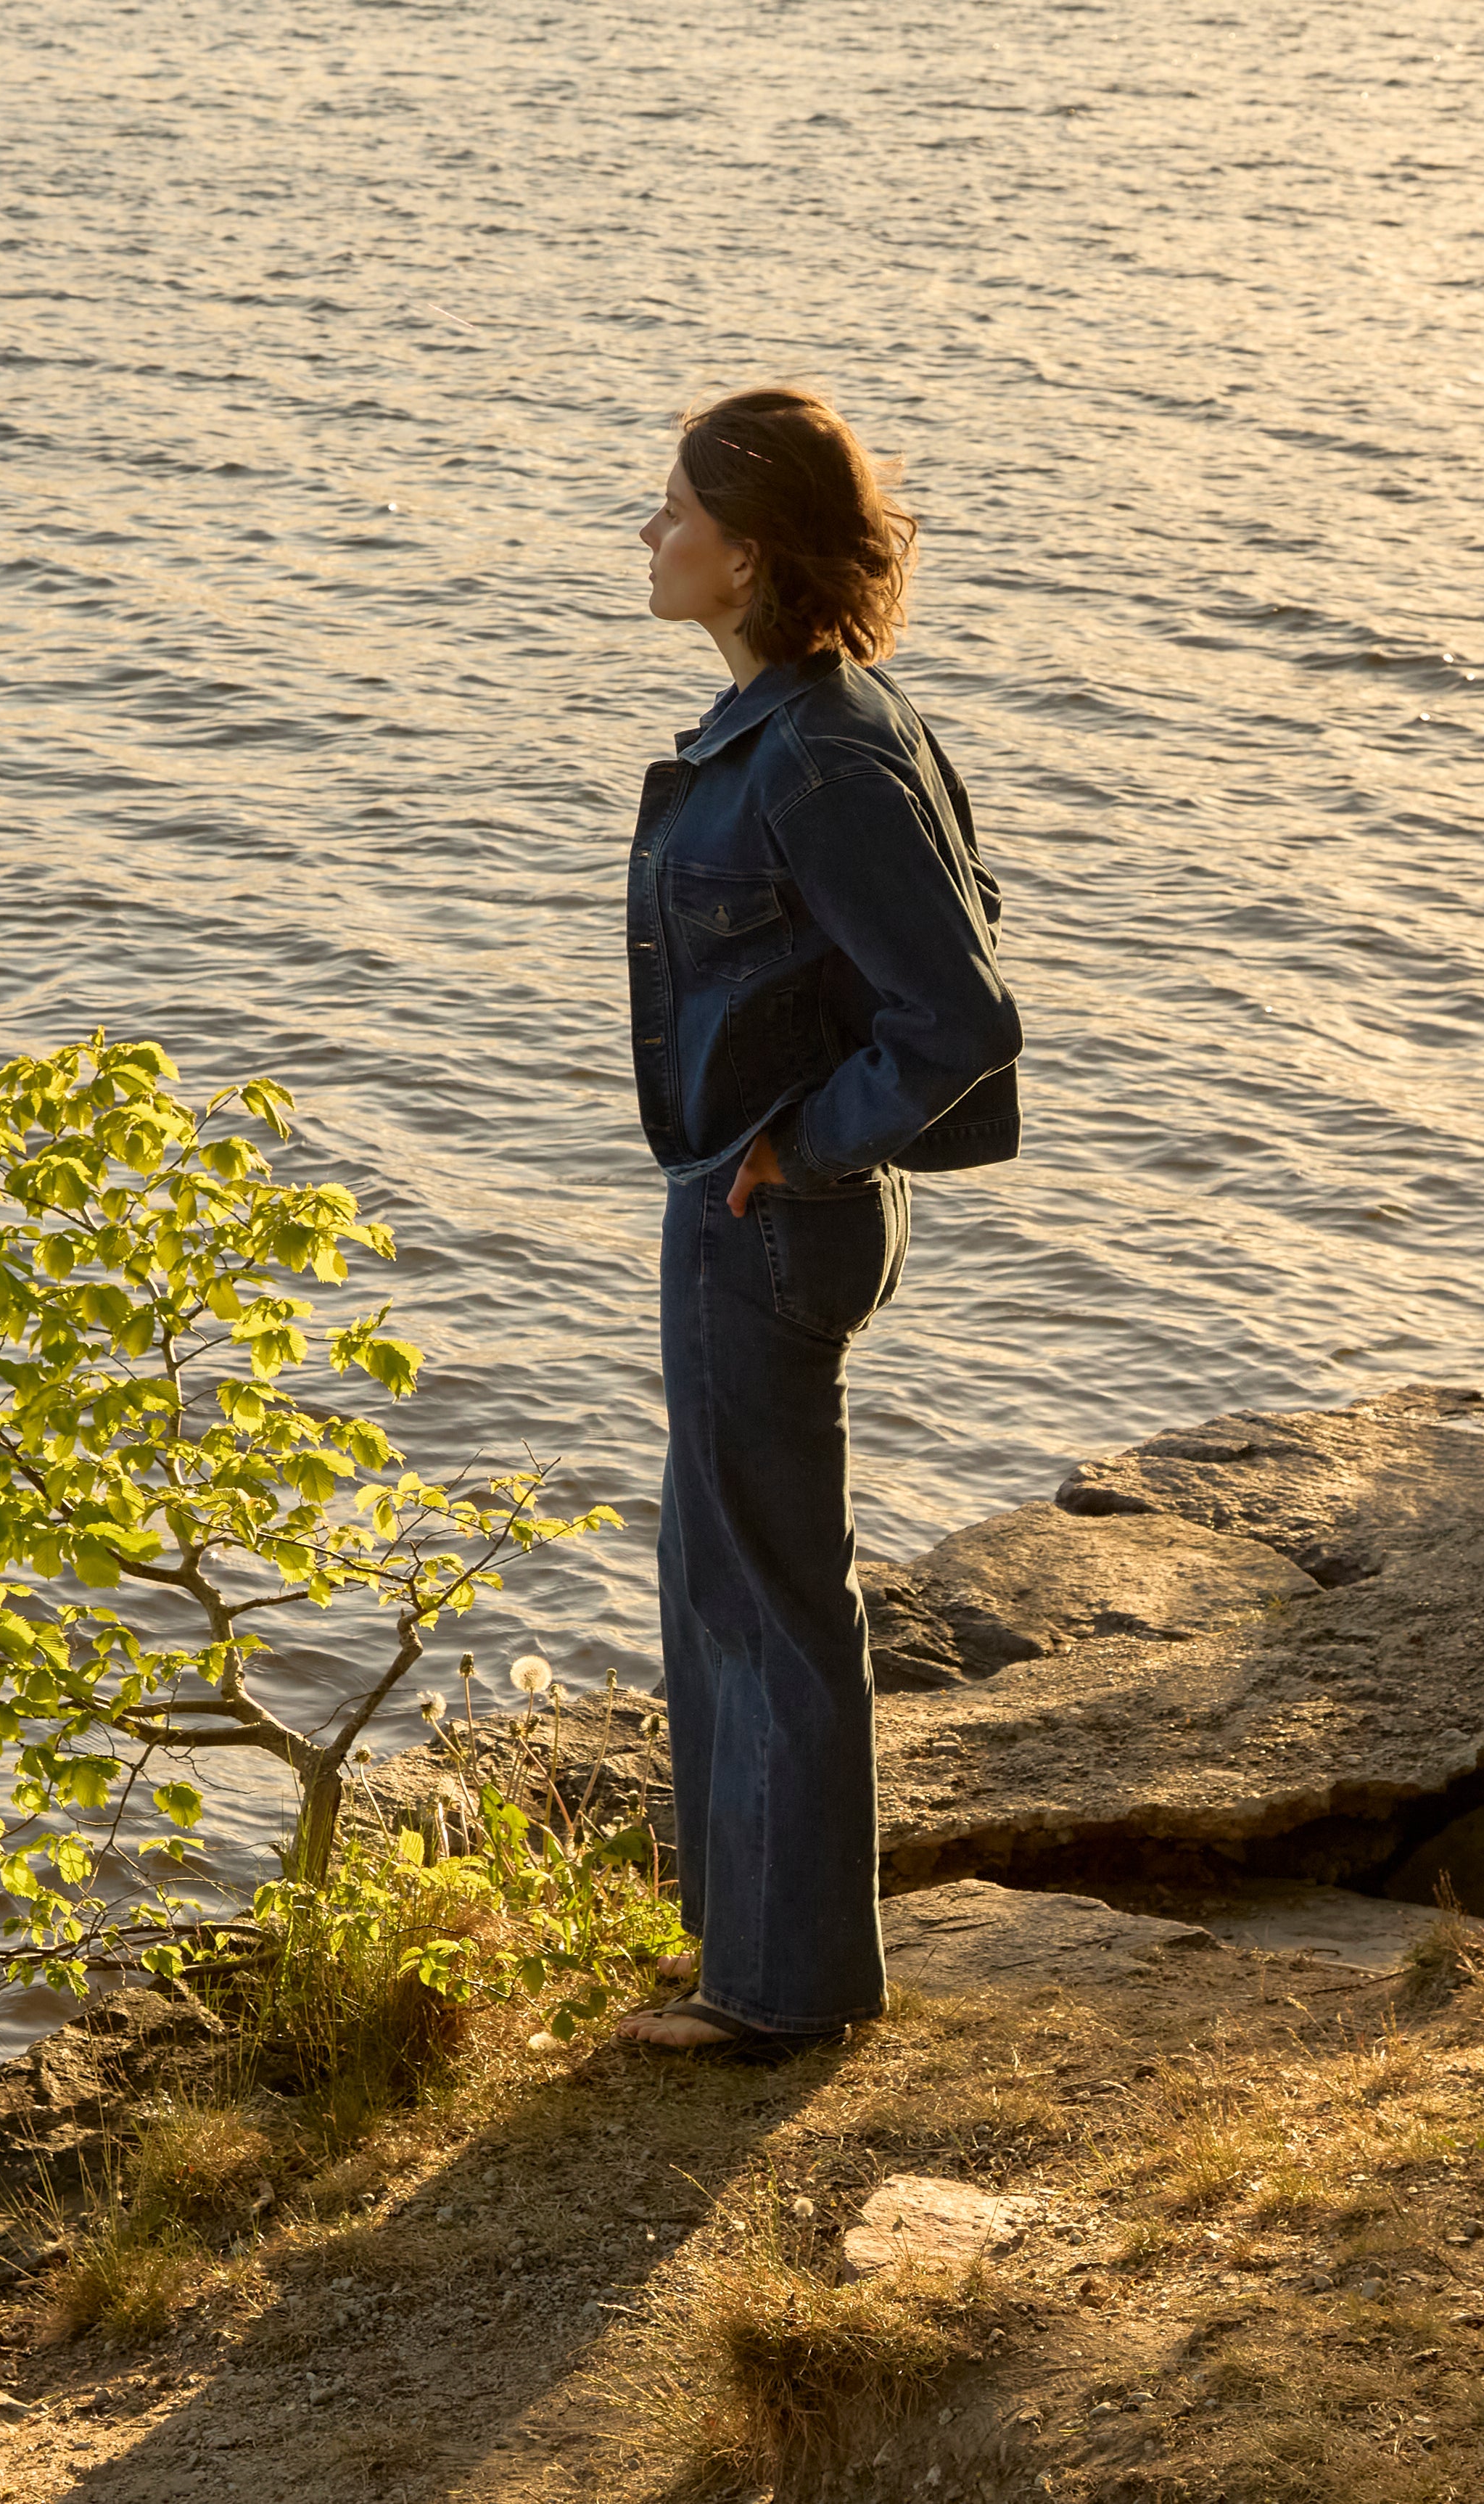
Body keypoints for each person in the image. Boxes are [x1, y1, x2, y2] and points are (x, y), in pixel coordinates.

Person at [613, 385, 1023, 2051]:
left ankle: (781, 1995)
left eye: (675, 515)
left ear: (748, 555)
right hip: (746, 1199)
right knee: (714, 1566)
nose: (651, 536)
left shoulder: (828, 752)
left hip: (774, 1210)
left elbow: (961, 1013)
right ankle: (742, 1946)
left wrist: (805, 1149)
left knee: (768, 1588)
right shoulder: (799, 722)